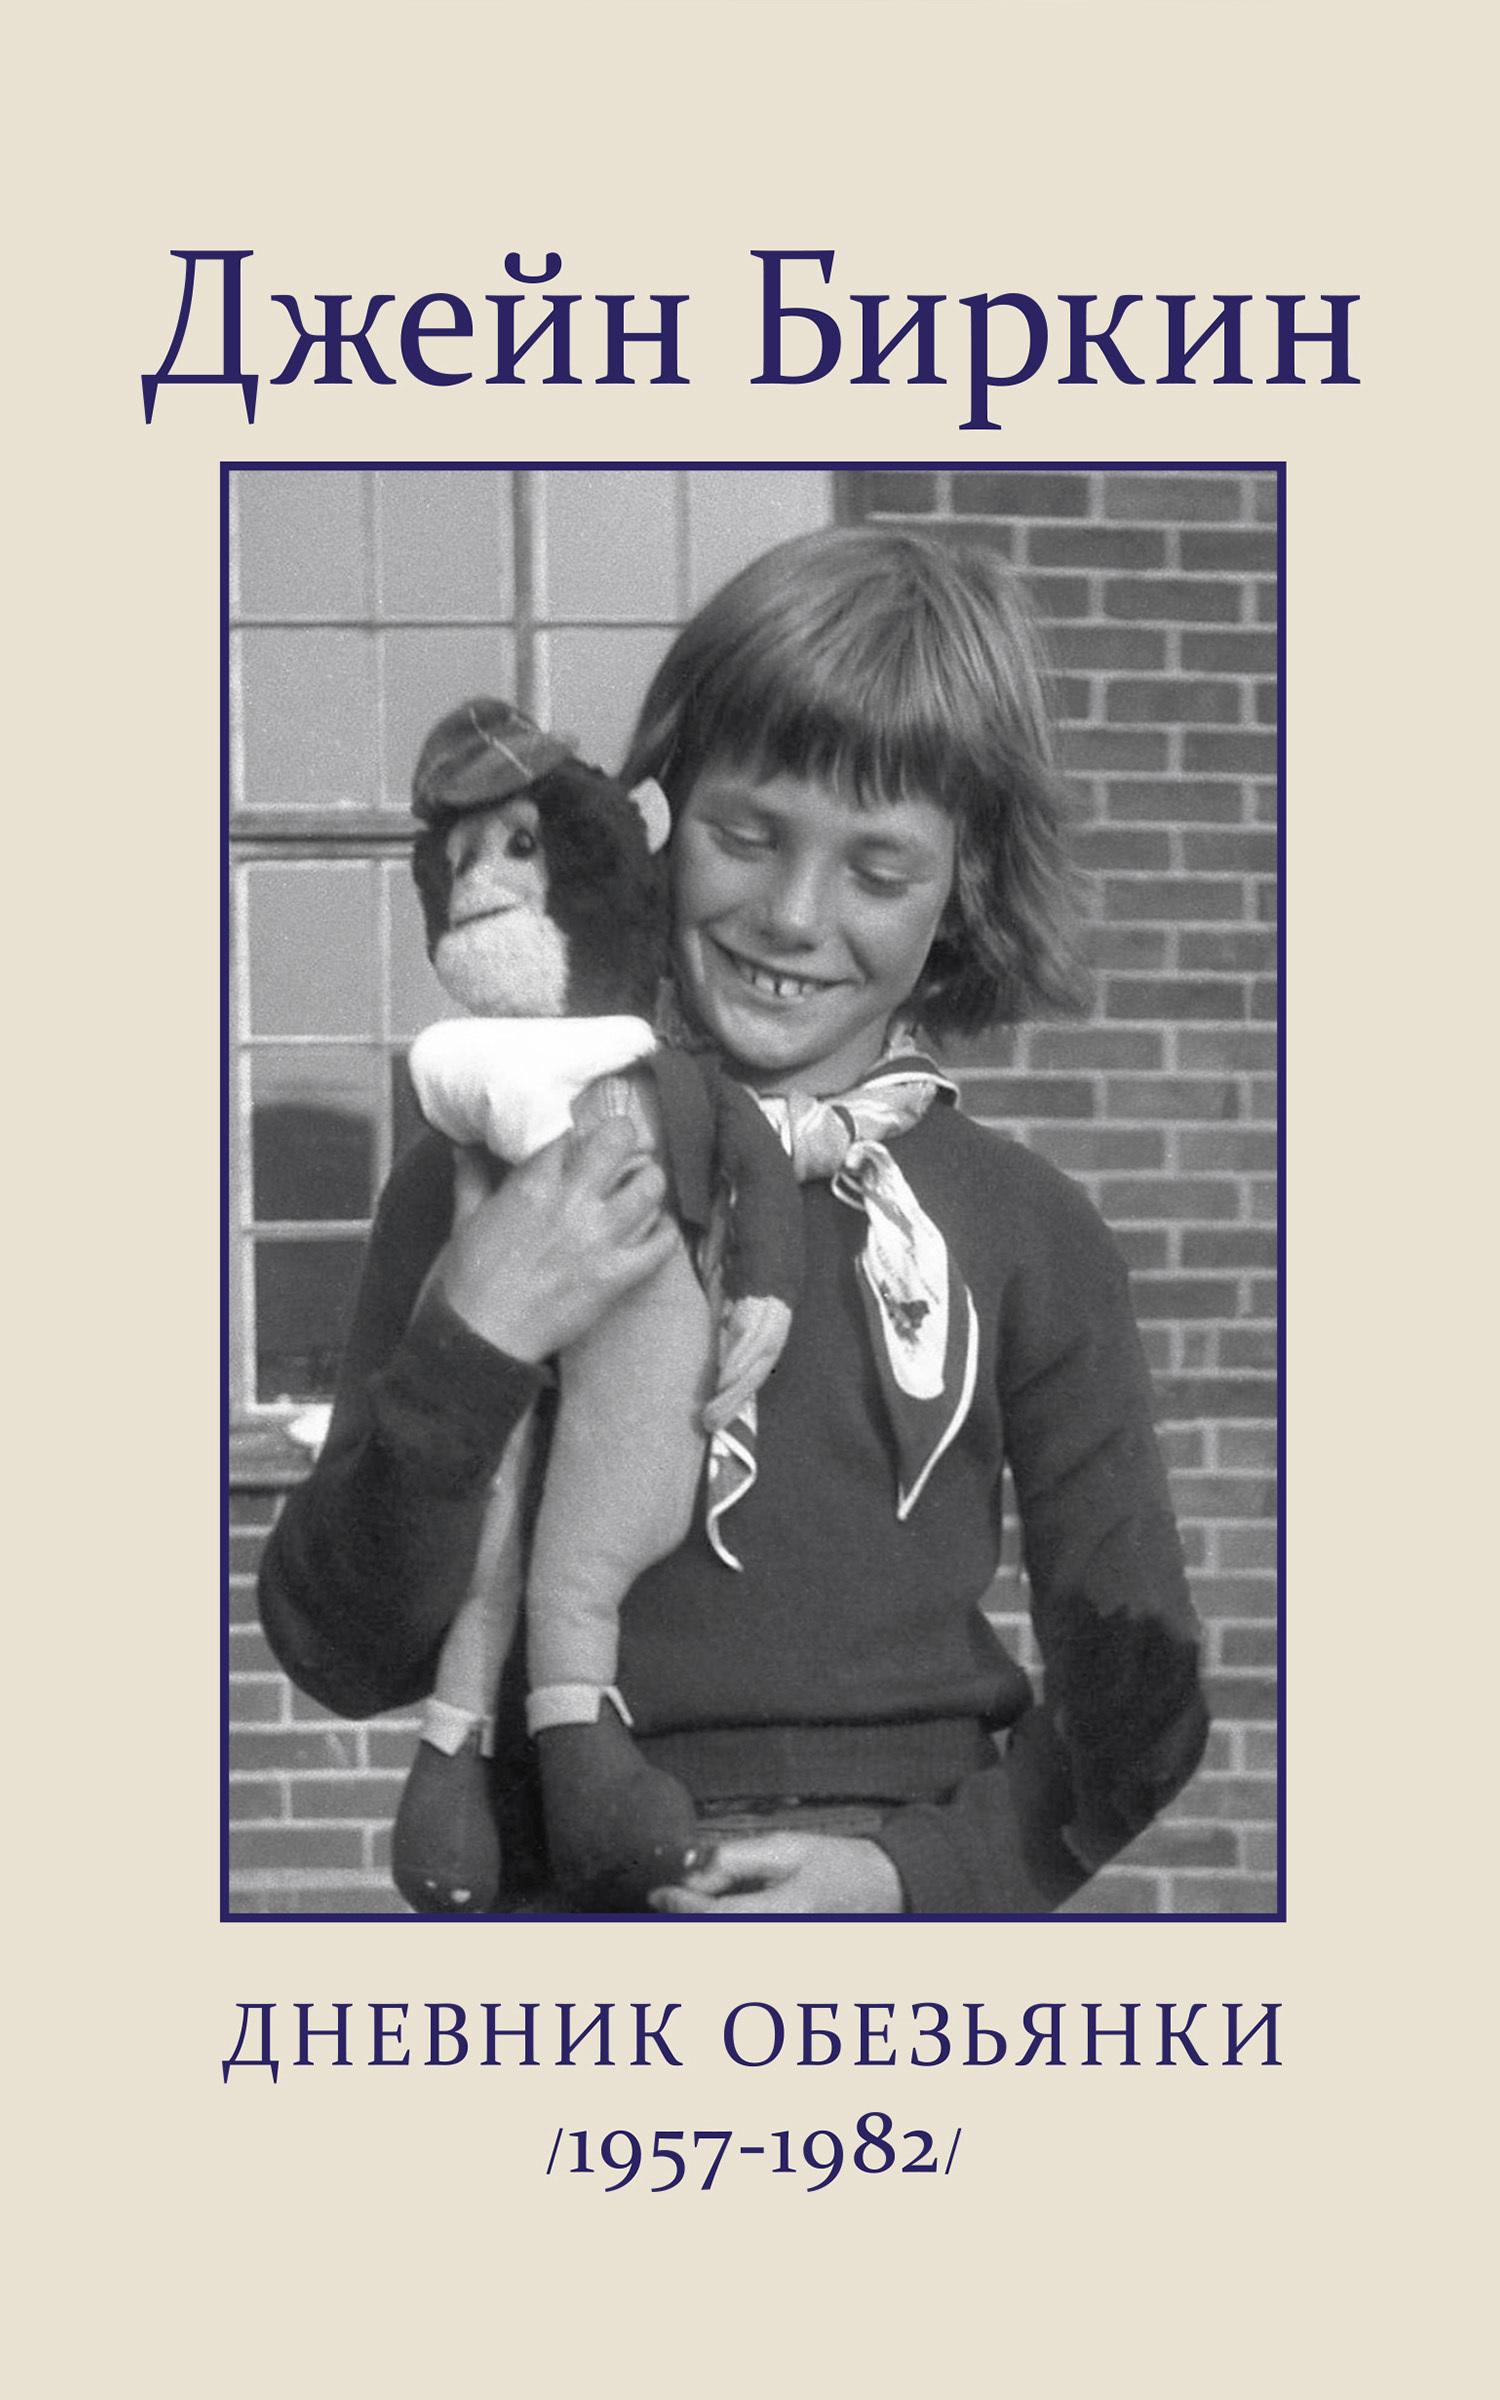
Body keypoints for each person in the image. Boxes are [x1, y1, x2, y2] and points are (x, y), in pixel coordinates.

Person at [258, 527, 1209, 1915]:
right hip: (548, 1911)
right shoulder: (488, 1178)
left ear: (964, 890)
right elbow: (341, 1651)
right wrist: (476, 1337)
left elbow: (1143, 1692)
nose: (794, 915)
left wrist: (907, 1878)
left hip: (890, 1933)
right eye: (747, 836)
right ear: (651, 819)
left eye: (879, 871)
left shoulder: (1032, 1232)